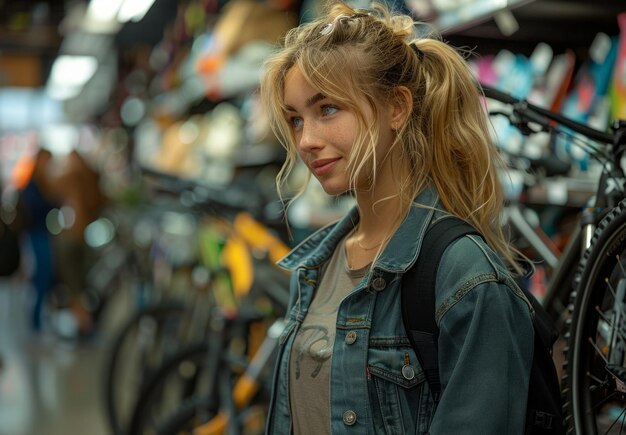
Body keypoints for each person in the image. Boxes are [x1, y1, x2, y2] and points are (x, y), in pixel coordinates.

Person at [260, 2, 535, 434]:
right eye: (295, 119)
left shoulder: (465, 279)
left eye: (328, 109)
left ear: (397, 108)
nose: (306, 141)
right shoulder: (314, 267)